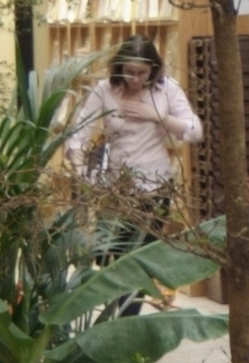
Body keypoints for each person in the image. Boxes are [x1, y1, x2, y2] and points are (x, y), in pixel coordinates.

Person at [64, 35, 203, 313]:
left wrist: (157, 116)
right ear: (118, 67)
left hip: (154, 186)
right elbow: (77, 136)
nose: (135, 78)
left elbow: (194, 131)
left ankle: (125, 321)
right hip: (115, 187)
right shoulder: (104, 90)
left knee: (136, 259)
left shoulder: (166, 89)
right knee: (106, 257)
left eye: (142, 72)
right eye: (128, 71)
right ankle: (115, 315)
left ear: (154, 68)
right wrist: (81, 172)